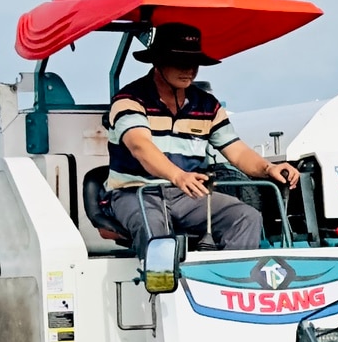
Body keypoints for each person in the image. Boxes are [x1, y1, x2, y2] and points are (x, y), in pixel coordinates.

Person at [106, 22, 300, 252]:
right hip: (135, 193)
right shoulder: (130, 100)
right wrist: (178, 176)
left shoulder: (207, 105)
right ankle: (159, 287)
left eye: (194, 63)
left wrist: (269, 169)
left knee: (246, 217)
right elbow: (140, 146)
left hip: (189, 195)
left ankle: (228, 283)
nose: (189, 69)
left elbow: (236, 150)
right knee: (155, 229)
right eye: (180, 61)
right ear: (158, 61)